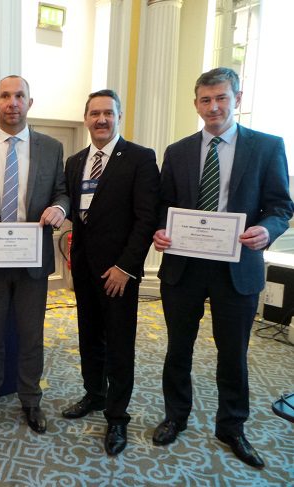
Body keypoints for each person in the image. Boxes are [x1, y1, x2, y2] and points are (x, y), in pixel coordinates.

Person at [152, 67, 294, 469]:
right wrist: (160, 231)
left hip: (237, 268)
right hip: (184, 267)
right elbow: (164, 204)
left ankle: (231, 425)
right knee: (178, 348)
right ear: (196, 103)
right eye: (205, 100)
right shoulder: (177, 151)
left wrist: (267, 231)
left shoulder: (267, 146)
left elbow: (281, 206)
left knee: (233, 353)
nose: (213, 107)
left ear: (237, 99)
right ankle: (175, 415)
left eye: (221, 98)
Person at [0, 75, 69, 434]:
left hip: (32, 261)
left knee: (30, 335)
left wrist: (60, 209)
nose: (12, 102)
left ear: (29, 102)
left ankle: (30, 400)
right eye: (5, 96)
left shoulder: (51, 148)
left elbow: (62, 192)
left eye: (19, 95)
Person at [62, 90, 160, 455]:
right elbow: (79, 216)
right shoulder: (75, 162)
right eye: (94, 113)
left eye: (108, 113)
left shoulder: (139, 158)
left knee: (119, 343)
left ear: (119, 117)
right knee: (89, 335)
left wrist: (125, 267)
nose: (101, 120)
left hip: (119, 271)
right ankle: (94, 393)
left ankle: (117, 417)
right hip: (85, 270)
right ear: (85, 118)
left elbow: (146, 218)